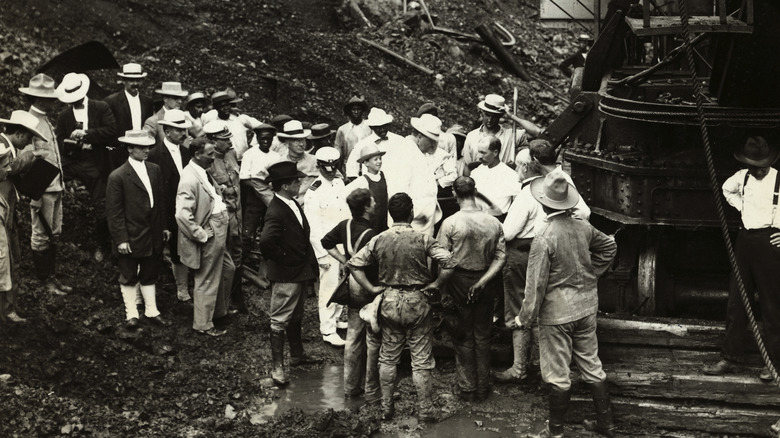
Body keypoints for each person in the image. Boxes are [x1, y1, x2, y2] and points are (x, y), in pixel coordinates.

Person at [516, 168, 617, 438]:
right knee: (592, 367)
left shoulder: (544, 236)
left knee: (558, 375)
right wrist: (591, 274)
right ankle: (606, 425)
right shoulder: (583, 226)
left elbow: (535, 285)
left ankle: (556, 432)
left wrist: (524, 318)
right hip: (586, 308)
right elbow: (609, 247)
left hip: (557, 315)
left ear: (542, 201)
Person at [348, 193, 456, 422]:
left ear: (390, 213)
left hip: (389, 300)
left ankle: (387, 409)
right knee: (421, 359)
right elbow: (449, 261)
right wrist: (436, 284)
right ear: (411, 213)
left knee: (387, 357)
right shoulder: (422, 238)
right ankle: (425, 410)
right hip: (418, 300)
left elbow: (354, 264)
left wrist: (372, 288)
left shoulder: (379, 239)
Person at [703, 136, 780, 382]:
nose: (758, 169)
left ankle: (773, 363)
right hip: (745, 241)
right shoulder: (741, 177)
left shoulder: (779, 179)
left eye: (761, 164)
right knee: (737, 301)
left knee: (771, 305)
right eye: (753, 164)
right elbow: (727, 190)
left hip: (769, 243)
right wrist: (743, 206)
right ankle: (730, 357)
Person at [437, 176, 506, 402]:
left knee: (463, 336)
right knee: (483, 336)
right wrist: (483, 281)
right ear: (475, 191)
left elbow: (443, 261)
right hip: (485, 282)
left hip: (458, 281)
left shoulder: (450, 223)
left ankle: (467, 388)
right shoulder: (494, 223)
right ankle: (483, 387)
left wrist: (444, 291)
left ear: (455, 195)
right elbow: (500, 257)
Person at [258, 161, 320, 386]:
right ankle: (277, 369)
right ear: (284, 186)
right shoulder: (275, 211)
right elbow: (266, 242)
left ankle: (297, 355)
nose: (300, 183)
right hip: (287, 273)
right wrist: (286, 258)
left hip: (298, 271)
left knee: (296, 314)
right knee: (280, 319)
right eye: (296, 181)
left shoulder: (290, 202)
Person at [106, 130, 171, 329]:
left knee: (150, 271)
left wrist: (164, 227)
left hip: (152, 232)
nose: (146, 150)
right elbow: (114, 212)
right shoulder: (118, 176)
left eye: (148, 146)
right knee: (128, 273)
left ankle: (151, 311)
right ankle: (131, 313)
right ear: (129, 148)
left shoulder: (154, 169)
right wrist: (121, 239)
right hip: (131, 233)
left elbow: (160, 202)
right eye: (141, 147)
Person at [321, 188, 381, 402]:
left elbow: (325, 242)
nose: (375, 203)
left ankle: (349, 387)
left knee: (353, 336)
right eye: (372, 201)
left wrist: (345, 261)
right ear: (365, 207)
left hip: (351, 285)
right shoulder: (371, 234)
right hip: (367, 285)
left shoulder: (344, 225)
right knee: (373, 337)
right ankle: (372, 389)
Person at [56, 72, 117, 262]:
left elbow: (111, 131)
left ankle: (102, 245)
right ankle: (57, 237)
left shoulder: (100, 107)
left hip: (95, 160)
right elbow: (59, 141)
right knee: (54, 180)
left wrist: (87, 134)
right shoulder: (64, 115)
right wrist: (70, 143)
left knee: (101, 204)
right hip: (72, 160)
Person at [175, 137, 233, 337]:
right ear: (197, 155)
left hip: (219, 227)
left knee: (227, 269)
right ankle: (203, 324)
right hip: (210, 232)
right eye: (209, 154)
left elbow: (208, 195)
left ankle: (218, 312)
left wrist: (219, 192)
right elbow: (182, 214)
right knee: (206, 278)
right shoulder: (189, 178)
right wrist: (200, 234)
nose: (213, 157)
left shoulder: (203, 171)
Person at [495, 148, 544, 383]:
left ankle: (519, 368)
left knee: (518, 308)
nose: (516, 170)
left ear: (526, 167)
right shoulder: (553, 189)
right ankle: (539, 366)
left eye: (517, 166)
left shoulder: (526, 195)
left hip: (523, 254)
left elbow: (509, 231)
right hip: (546, 252)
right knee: (540, 308)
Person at [21, 74, 72, 296]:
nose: (53, 102)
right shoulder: (29, 121)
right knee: (41, 233)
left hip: (54, 186)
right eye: (50, 99)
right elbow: (26, 159)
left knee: (54, 233)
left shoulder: (45, 119)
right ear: (40, 100)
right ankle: (45, 280)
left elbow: (53, 155)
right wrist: (35, 193)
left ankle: (51, 276)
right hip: (43, 189)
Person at [0, 111, 45, 322]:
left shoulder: (10, 149)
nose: (28, 143)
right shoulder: (1, 146)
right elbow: (6, 170)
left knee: (13, 258)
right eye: (28, 138)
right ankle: (7, 310)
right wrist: (28, 159)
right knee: (4, 260)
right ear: (18, 133)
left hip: (9, 211)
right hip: (1, 212)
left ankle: (9, 308)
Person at [304, 147, 350, 347]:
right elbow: (313, 226)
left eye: (334, 166)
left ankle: (338, 318)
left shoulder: (340, 184)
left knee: (342, 282)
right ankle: (328, 328)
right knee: (328, 286)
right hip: (326, 245)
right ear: (319, 166)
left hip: (342, 242)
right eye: (327, 167)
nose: (331, 171)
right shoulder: (314, 192)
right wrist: (321, 255)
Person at [148, 109, 192, 303]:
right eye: (178, 130)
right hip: (165, 211)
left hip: (186, 208)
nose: (183, 134)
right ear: (166, 131)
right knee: (168, 249)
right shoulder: (155, 154)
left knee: (183, 250)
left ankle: (183, 289)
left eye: (184, 130)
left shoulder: (187, 152)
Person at [203, 121, 242, 315]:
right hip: (221, 219)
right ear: (212, 141)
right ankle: (222, 307)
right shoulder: (207, 162)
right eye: (223, 140)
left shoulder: (231, 154)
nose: (229, 143)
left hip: (237, 217)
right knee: (223, 263)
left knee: (237, 258)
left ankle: (235, 301)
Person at [239, 123, 280, 284]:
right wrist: (259, 189)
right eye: (263, 139)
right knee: (247, 235)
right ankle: (238, 269)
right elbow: (244, 179)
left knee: (268, 234)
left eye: (269, 139)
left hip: (269, 197)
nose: (266, 142)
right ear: (257, 138)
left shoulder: (275, 156)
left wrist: (268, 188)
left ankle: (265, 274)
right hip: (253, 199)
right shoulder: (249, 154)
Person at [104, 63, 154, 171]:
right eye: (131, 80)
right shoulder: (112, 101)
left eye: (138, 80)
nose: (135, 83)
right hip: (120, 152)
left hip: (142, 150)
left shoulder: (147, 101)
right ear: (124, 80)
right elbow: (109, 129)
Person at [406, 113, 447, 235]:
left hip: (426, 221)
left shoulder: (421, 154)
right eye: (431, 141)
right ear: (419, 137)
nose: (434, 146)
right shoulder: (407, 154)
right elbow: (401, 191)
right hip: (414, 222)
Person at [462, 94, 529, 168]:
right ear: (482, 113)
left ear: (500, 116)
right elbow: (466, 164)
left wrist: (512, 116)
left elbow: (537, 133)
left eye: (494, 116)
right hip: (477, 177)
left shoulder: (511, 135)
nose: (490, 119)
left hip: (502, 177)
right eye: (487, 115)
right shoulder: (472, 136)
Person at [529, 139, 590, 220]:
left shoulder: (561, 179)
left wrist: (568, 226)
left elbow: (584, 212)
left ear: (535, 160)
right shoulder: (549, 177)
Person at [471, 136, 521, 221]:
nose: (479, 156)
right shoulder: (477, 171)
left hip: (497, 220)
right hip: (476, 218)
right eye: (478, 152)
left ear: (495, 152)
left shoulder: (510, 175)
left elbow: (519, 204)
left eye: (483, 153)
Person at [201, 90, 259, 161]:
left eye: (227, 105)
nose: (226, 108)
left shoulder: (238, 119)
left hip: (244, 160)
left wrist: (252, 146)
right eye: (222, 106)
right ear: (216, 108)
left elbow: (261, 128)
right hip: (225, 162)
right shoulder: (213, 123)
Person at [344, 144, 388, 232]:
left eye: (380, 158)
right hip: (371, 223)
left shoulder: (383, 176)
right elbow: (346, 195)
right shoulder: (363, 180)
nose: (379, 161)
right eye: (375, 159)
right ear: (366, 163)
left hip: (384, 220)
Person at [276, 120, 319, 205]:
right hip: (289, 210)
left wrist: (315, 191)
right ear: (287, 143)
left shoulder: (316, 161)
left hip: (312, 206)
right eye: (296, 141)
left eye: (303, 140)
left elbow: (336, 179)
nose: (301, 144)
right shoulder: (279, 164)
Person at [143, 82, 198, 147]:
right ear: (165, 99)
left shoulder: (184, 117)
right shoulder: (153, 121)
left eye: (181, 98)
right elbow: (146, 147)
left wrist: (192, 142)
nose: (180, 101)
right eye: (175, 98)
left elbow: (201, 135)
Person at [334, 96, 372, 176]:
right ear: (349, 111)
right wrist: (341, 171)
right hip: (350, 167)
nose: (356, 112)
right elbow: (338, 151)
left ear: (362, 111)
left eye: (358, 109)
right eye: (353, 109)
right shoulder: (343, 130)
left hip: (368, 165)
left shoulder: (369, 127)